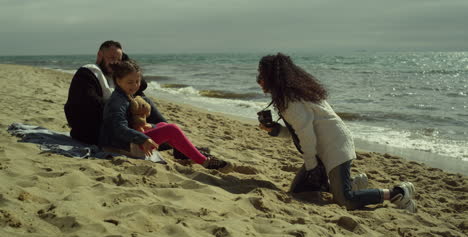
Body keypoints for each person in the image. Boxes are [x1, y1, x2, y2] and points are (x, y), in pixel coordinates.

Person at [256, 53, 416, 212]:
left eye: (262, 75)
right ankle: (351, 184)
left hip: (334, 147)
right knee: (299, 191)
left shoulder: (290, 101)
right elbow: (299, 132)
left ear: (273, 77)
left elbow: (306, 136)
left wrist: (312, 166)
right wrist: (274, 130)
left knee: (346, 201)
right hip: (323, 149)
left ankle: (397, 193)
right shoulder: (292, 96)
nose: (259, 80)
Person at [99, 60, 228, 170]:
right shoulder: (117, 101)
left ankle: (186, 153)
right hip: (120, 146)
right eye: (130, 82)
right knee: (172, 129)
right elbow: (117, 128)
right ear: (118, 81)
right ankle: (204, 161)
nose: (135, 85)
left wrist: (146, 126)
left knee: (162, 125)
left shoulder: (125, 95)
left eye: (137, 81)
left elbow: (128, 122)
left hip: (125, 141)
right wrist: (143, 139)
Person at [64, 40, 166, 145]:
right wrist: (129, 112)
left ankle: (165, 130)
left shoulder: (115, 75)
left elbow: (142, 86)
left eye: (119, 59)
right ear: (100, 55)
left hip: (115, 124)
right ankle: (164, 134)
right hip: (92, 130)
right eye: (112, 58)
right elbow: (92, 105)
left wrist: (125, 61)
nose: (115, 62)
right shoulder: (87, 73)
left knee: (145, 100)